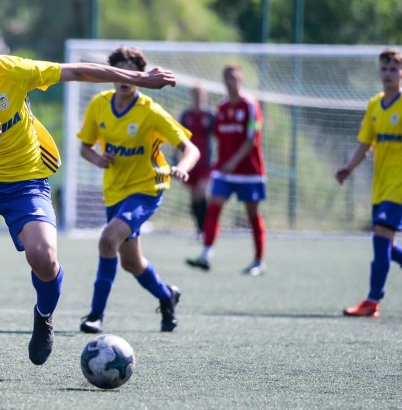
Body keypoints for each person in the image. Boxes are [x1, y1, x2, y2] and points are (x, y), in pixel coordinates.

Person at [0, 13, 177, 378]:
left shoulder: (11, 71)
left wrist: (138, 78)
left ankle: (43, 317)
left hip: (26, 182)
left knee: (44, 258)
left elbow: (75, 71)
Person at [77, 46, 200, 335]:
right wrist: (98, 158)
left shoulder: (151, 112)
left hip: (146, 189)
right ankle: (166, 296)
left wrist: (183, 166)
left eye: (133, 70)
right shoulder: (99, 105)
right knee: (131, 262)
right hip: (114, 192)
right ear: (111, 74)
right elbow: (85, 147)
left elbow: (190, 149)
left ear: (141, 76)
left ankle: (95, 315)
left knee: (108, 240)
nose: (126, 76)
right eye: (120, 69)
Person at [335, 48, 402, 318]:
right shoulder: (375, 105)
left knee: (380, 240)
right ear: (379, 72)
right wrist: (348, 168)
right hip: (380, 185)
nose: (388, 74)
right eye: (384, 69)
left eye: (394, 70)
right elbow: (365, 143)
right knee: (386, 246)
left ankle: (372, 300)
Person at [186, 64, 267, 275]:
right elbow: (218, 138)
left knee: (252, 215)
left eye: (235, 77)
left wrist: (234, 161)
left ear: (241, 79)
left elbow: (252, 138)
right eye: (227, 77)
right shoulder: (221, 108)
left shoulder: (250, 105)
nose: (231, 81)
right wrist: (221, 163)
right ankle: (206, 253)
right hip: (224, 171)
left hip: (249, 171)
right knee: (213, 208)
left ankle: (258, 261)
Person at [179, 85, 215, 238]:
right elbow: (179, 137)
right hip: (190, 162)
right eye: (195, 95)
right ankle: (200, 229)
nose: (198, 98)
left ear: (205, 97)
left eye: (201, 95)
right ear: (191, 97)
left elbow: (218, 137)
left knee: (201, 192)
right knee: (194, 196)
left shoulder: (211, 115)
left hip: (206, 162)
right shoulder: (186, 115)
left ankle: (207, 228)